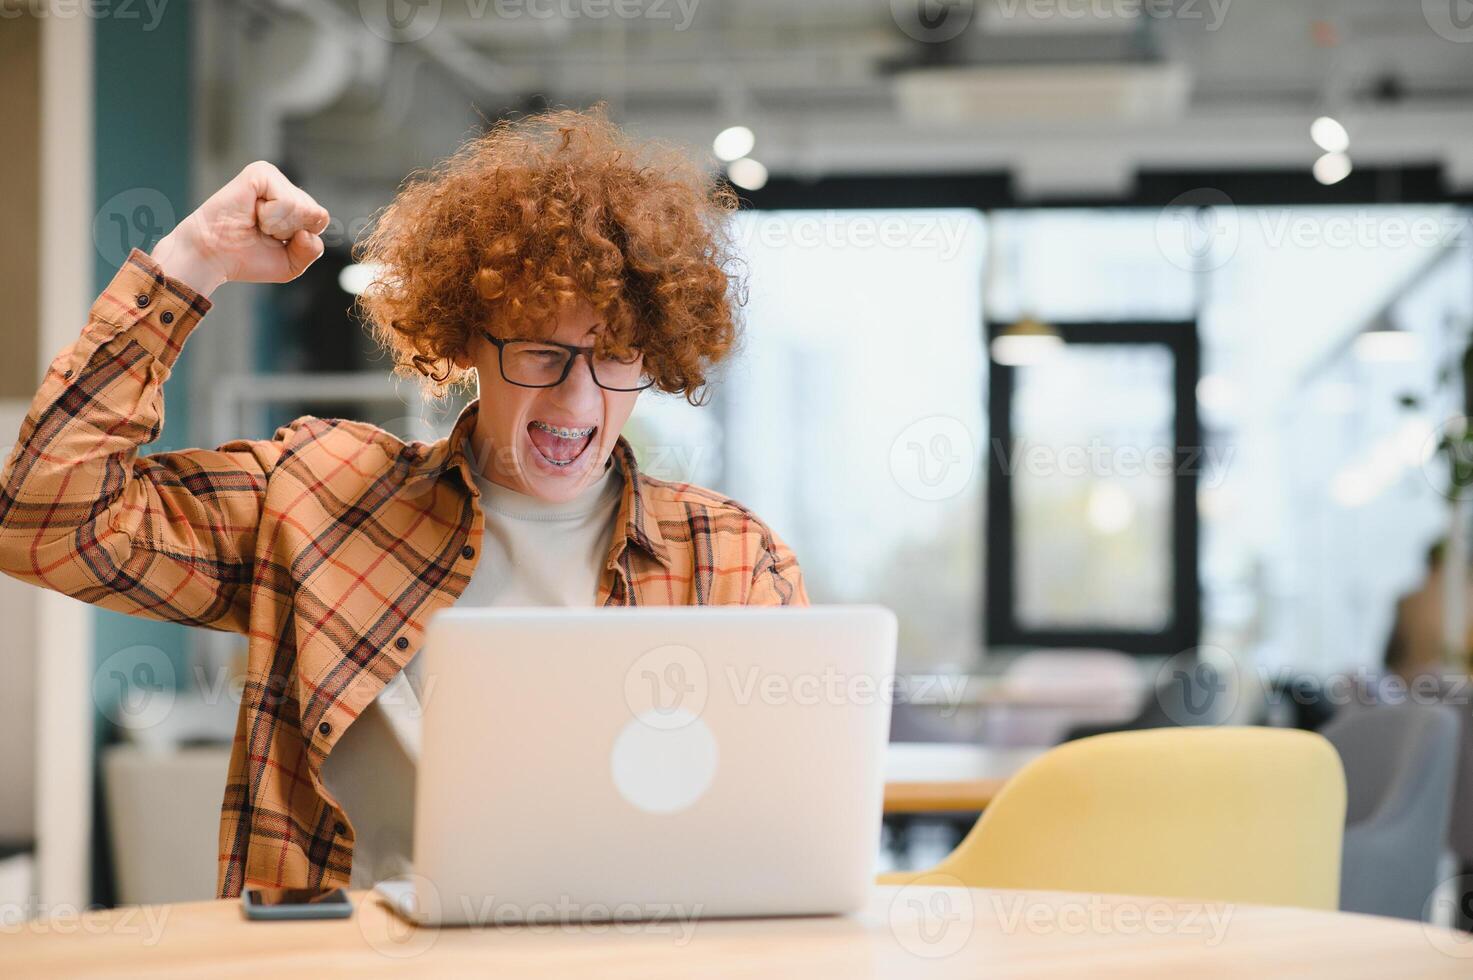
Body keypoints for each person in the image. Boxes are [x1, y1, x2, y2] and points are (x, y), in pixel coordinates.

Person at [0, 108, 808, 898]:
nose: (576, 399)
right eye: (539, 352)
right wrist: (193, 258)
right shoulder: (318, 494)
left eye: (617, 358)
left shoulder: (729, 559)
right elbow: (46, 523)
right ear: (469, 341)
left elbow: (779, 834)